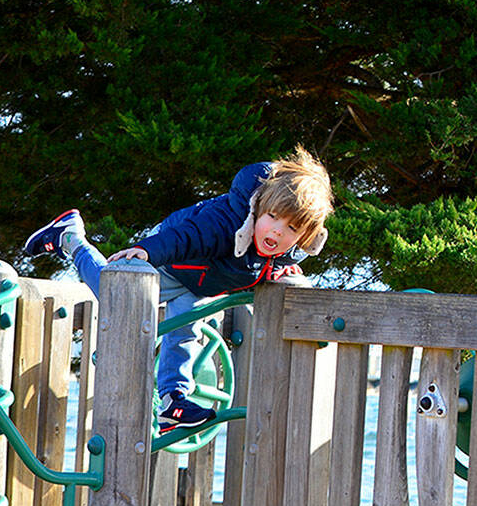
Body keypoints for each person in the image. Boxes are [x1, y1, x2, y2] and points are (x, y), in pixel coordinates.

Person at [24, 147, 334, 433]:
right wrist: (148, 251)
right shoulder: (224, 223)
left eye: (292, 228)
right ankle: (72, 239)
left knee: (186, 331)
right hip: (174, 260)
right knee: (116, 292)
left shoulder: (286, 250)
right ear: (259, 209)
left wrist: (280, 271)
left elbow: (263, 265)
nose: (278, 231)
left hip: (200, 284)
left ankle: (173, 401)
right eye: (273, 218)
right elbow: (186, 237)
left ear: (304, 236)